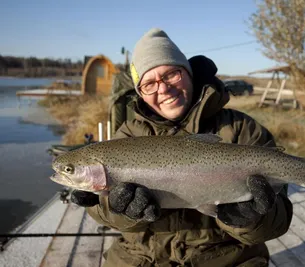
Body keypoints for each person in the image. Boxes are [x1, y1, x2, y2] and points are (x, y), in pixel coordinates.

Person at [71, 28, 293, 267]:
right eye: (149, 84)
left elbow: (278, 220)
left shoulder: (241, 129)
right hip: (142, 259)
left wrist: (253, 220)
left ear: (188, 73)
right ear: (140, 93)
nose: (163, 89)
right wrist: (116, 210)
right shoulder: (125, 136)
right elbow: (105, 215)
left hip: (225, 259)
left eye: (171, 74)